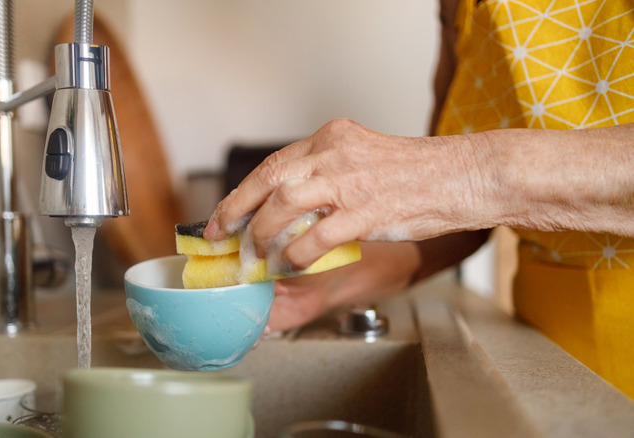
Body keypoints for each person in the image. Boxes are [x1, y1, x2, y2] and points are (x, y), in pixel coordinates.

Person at [204, 0, 634, 399]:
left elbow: (459, 186)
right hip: (546, 363)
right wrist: (325, 284)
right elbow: (458, 219)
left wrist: (466, 172)